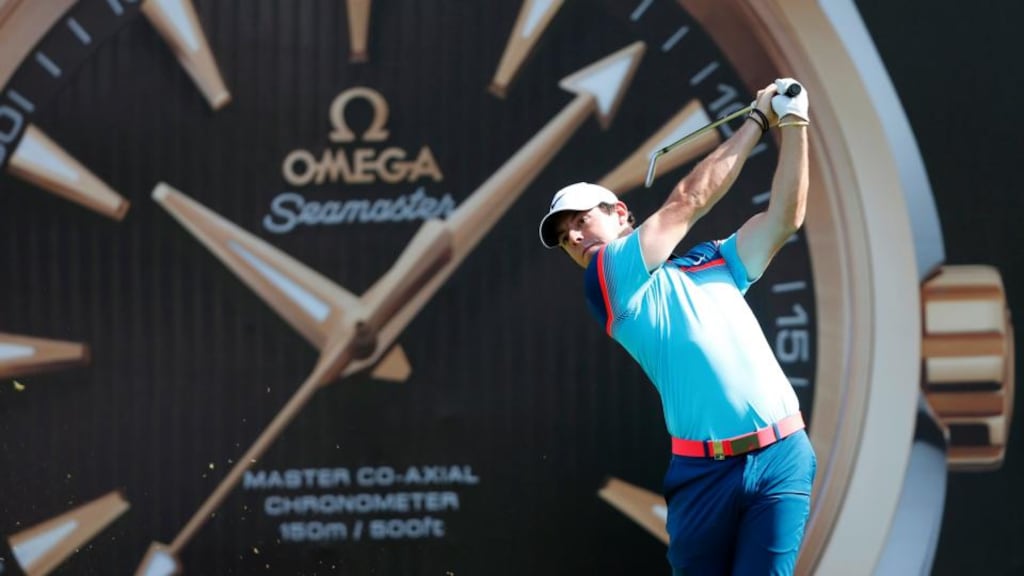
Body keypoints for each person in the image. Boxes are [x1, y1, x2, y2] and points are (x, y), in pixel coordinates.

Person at [538, 79, 816, 575]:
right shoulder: (608, 282)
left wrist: (794, 122)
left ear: (620, 212)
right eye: (564, 238)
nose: (574, 238)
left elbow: (783, 221)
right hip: (703, 474)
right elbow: (689, 200)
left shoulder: (712, 261)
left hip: (782, 457)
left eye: (580, 221)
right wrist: (756, 121)